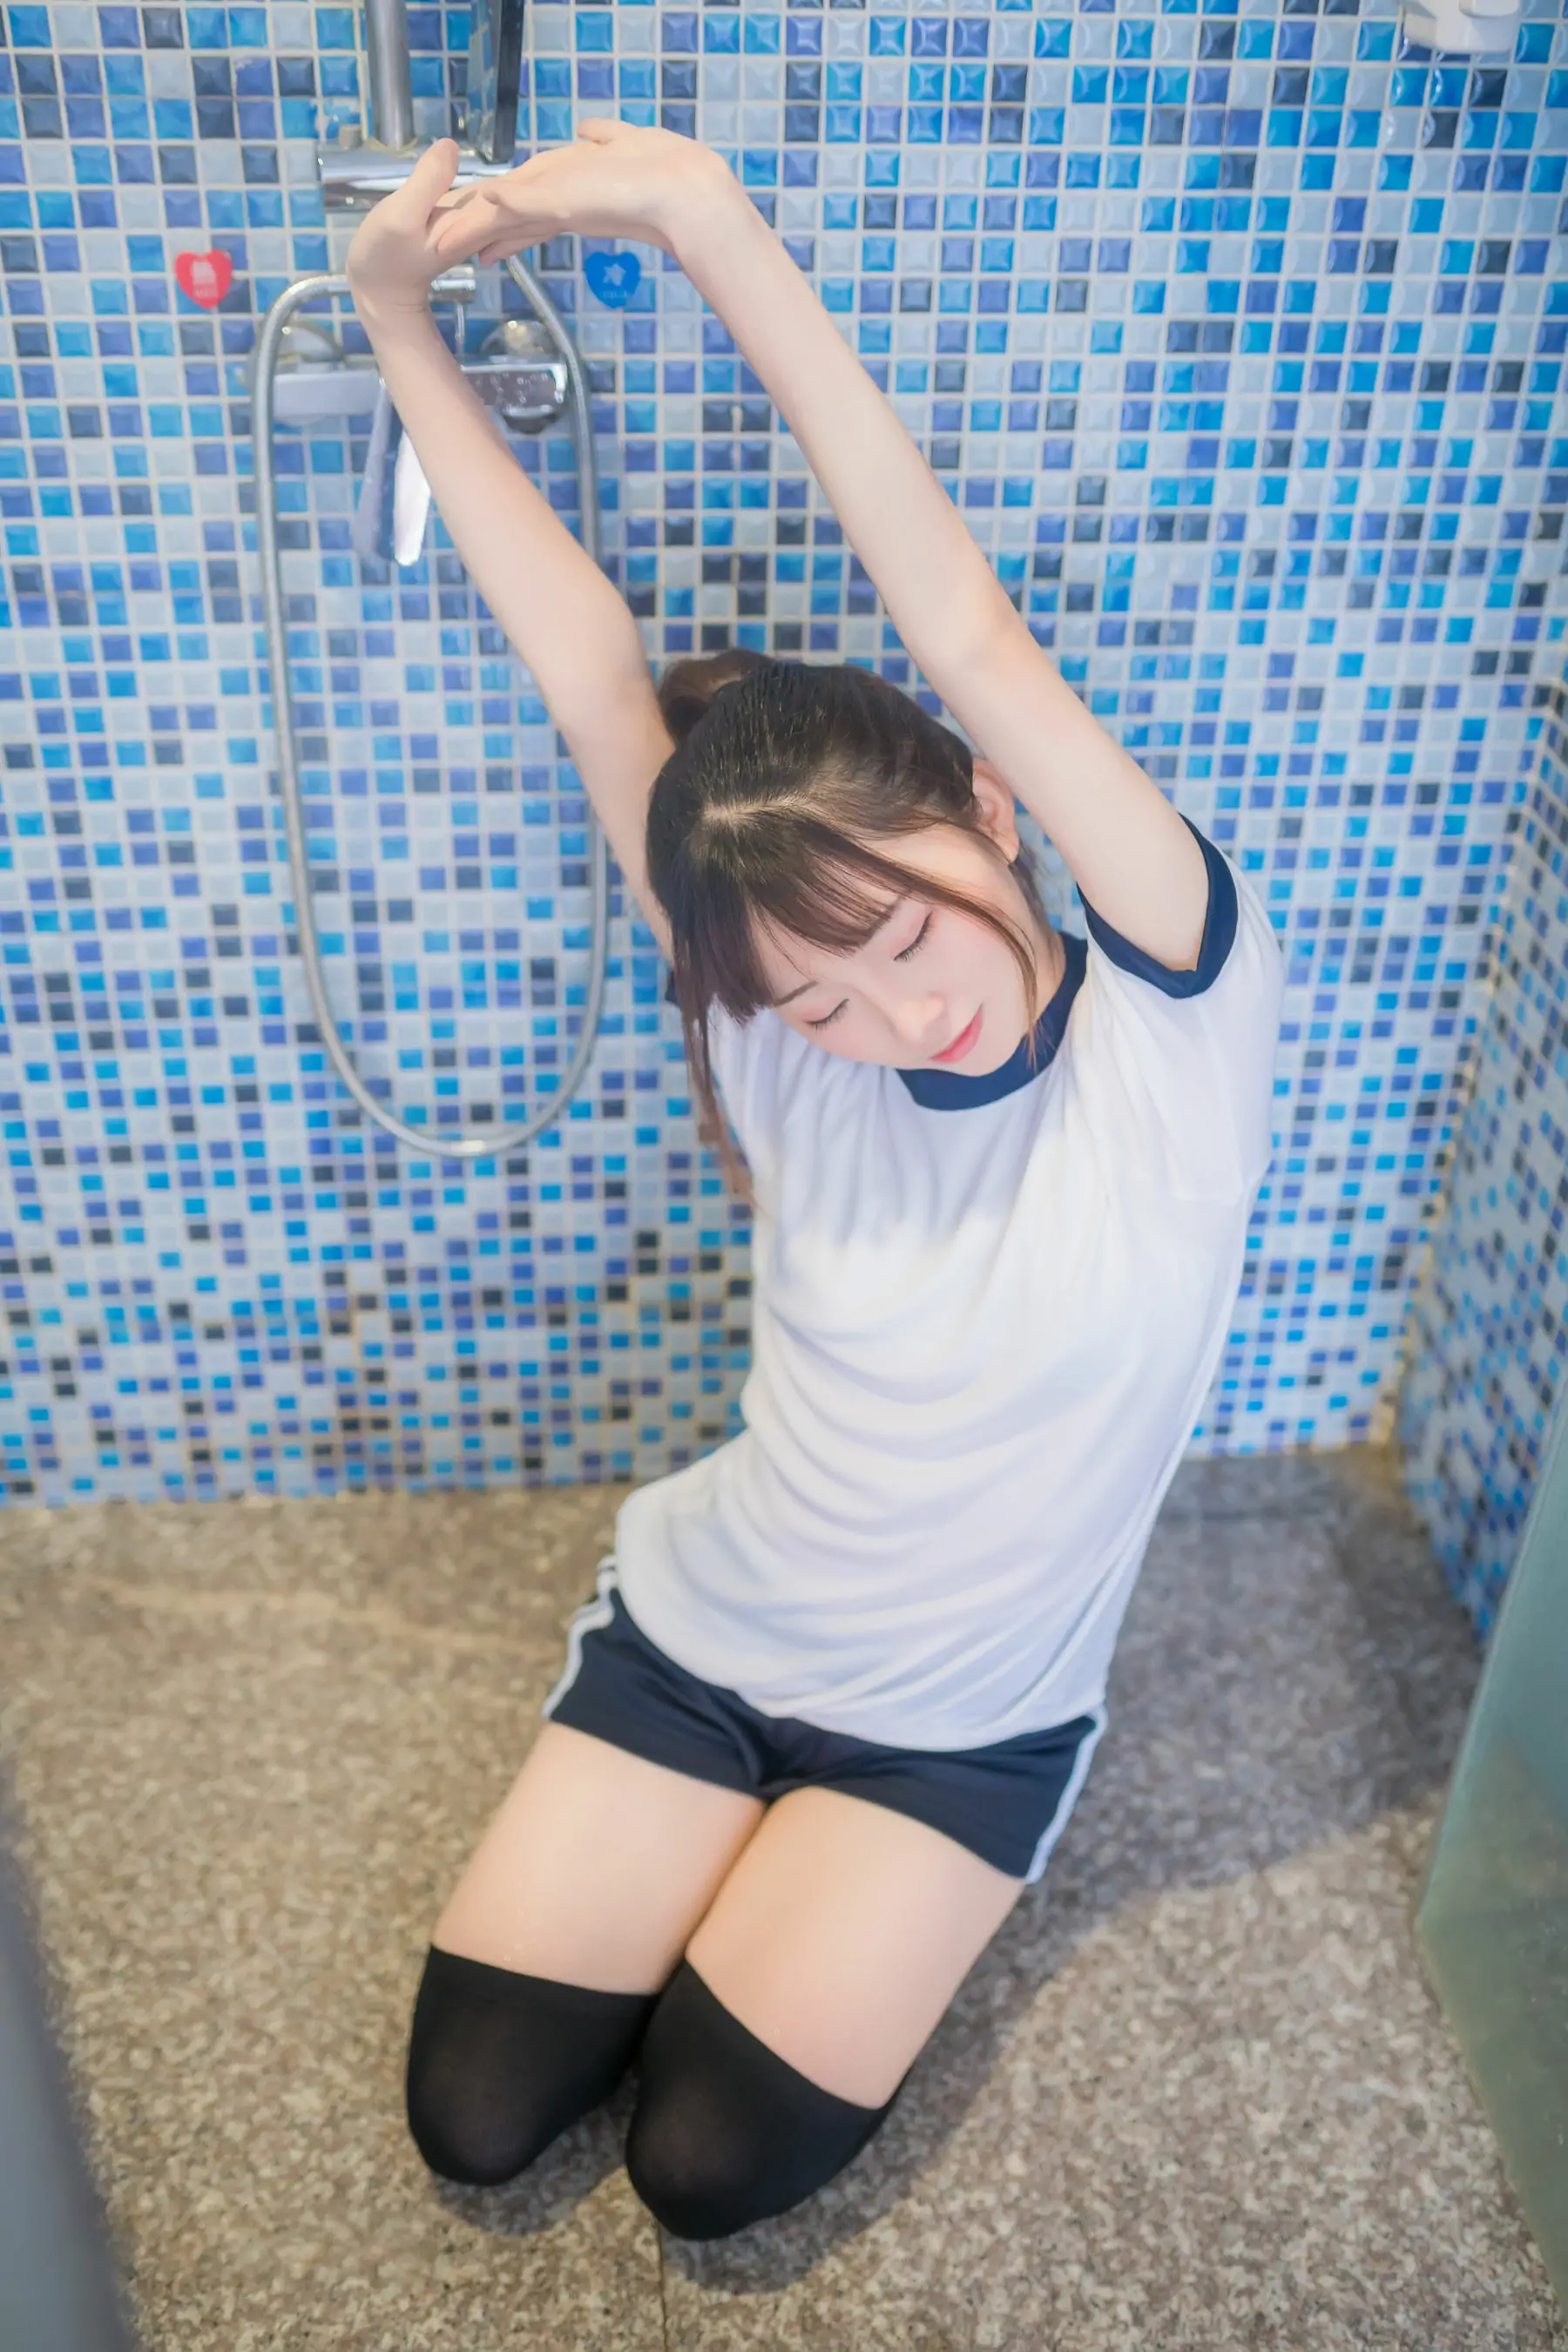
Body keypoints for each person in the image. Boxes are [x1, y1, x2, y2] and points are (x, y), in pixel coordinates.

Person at [345, 124, 1285, 2244]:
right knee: (476, 2121)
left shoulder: (1176, 1033)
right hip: (709, 1635)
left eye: (907, 932)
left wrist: (702, 217)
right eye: (818, 994)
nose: (891, 1015)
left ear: (991, 815)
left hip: (964, 1736)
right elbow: (589, 666)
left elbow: (968, 630)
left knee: (704, 2168)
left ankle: (819, 1873)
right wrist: (396, 316)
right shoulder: (777, 1026)